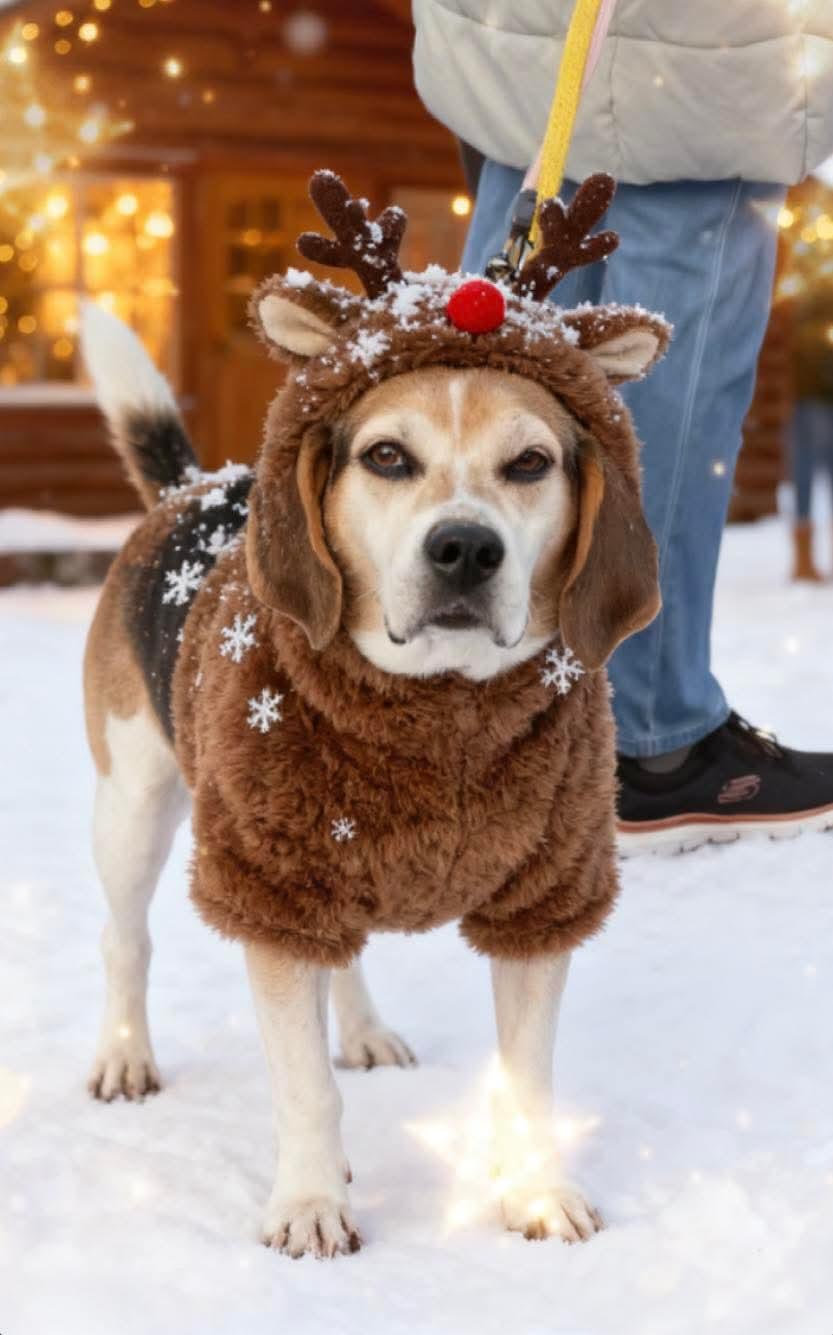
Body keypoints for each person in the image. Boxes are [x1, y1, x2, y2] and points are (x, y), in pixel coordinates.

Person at [413, 0, 833, 851]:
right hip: (691, 63)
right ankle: (651, 744)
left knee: (499, 387)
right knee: (665, 396)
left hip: (514, 56)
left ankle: (478, 727)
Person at [790, 291, 833, 581]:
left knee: (803, 482)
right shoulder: (821, 333)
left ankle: (803, 563)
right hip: (821, 406)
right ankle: (804, 563)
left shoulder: (799, 326)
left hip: (802, 407)